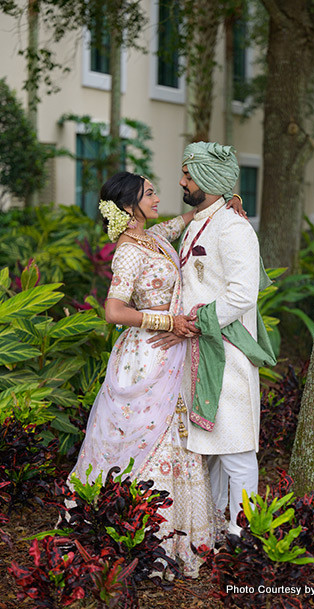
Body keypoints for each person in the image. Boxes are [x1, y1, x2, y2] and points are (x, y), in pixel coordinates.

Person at [68, 171, 245, 578]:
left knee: (177, 440)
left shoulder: (154, 237)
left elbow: (184, 220)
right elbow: (114, 311)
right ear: (129, 205)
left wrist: (225, 201)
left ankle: (179, 538)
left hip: (171, 353)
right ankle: (139, 538)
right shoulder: (130, 250)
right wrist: (169, 322)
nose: (158, 196)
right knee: (148, 439)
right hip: (145, 357)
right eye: (149, 193)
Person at [148, 142, 276, 538]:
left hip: (228, 351)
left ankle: (244, 539)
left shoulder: (234, 227)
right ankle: (217, 529)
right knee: (212, 449)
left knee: (236, 449)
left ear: (207, 180)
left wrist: (192, 323)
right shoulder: (202, 220)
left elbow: (242, 294)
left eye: (188, 175)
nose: (182, 181)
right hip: (197, 348)